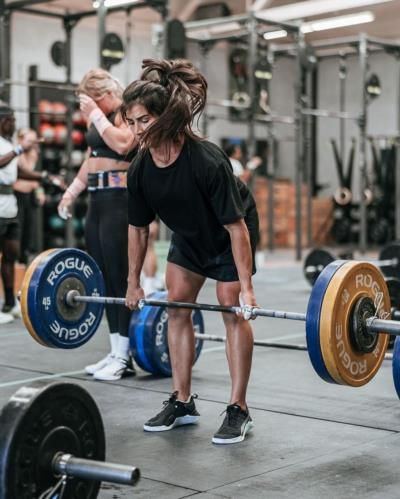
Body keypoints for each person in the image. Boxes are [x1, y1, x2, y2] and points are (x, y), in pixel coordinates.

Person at [123, 59, 260, 445]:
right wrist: (132, 283)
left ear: (164, 117)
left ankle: (239, 408)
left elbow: (236, 227)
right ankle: (182, 402)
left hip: (229, 234)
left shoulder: (206, 160)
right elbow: (137, 230)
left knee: (230, 306)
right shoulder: (139, 170)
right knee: (176, 304)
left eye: (143, 120)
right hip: (188, 237)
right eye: (130, 122)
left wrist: (247, 289)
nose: (136, 130)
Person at [57, 68, 141, 381]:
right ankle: (115, 349)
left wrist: (95, 115)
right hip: (97, 200)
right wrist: (71, 192)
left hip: (120, 201)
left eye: (92, 101)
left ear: (105, 96)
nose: (89, 108)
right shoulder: (101, 119)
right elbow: (92, 158)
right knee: (103, 277)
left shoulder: (124, 112)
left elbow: (123, 145)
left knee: (120, 277)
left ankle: (125, 356)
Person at [0, 103, 58, 322]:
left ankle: (7, 304)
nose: (14, 124)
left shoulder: (8, 144)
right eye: (11, 120)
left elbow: (19, 170)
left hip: (10, 207)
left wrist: (44, 176)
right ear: (3, 121)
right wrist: (19, 150)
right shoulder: (10, 147)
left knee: (11, 255)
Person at [13, 128, 46, 265]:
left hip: (29, 197)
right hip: (16, 196)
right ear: (21, 140)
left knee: (29, 231)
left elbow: (35, 178)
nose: (33, 144)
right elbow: (23, 174)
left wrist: (39, 192)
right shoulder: (15, 154)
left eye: (35, 141)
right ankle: (15, 261)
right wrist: (22, 150)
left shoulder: (34, 154)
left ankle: (25, 260)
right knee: (17, 232)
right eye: (30, 141)